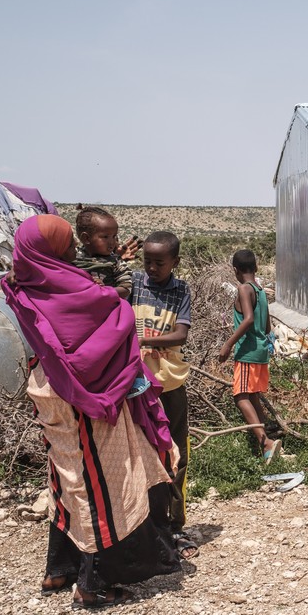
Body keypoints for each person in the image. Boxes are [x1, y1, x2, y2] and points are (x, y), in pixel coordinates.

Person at [3, 215, 179, 608]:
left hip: (51, 388)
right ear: (52, 249)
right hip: (85, 396)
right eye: (66, 242)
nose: (71, 249)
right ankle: (92, 582)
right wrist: (116, 299)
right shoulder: (71, 288)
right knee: (100, 487)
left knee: (66, 478)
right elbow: (111, 313)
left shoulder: (28, 281)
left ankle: (59, 568)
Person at [130, 231, 197, 559]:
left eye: (159, 263)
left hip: (169, 386)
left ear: (175, 263)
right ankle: (144, 524)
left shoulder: (180, 290)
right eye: (147, 262)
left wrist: (144, 342)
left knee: (176, 456)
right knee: (141, 457)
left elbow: (180, 335)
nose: (152, 268)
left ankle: (175, 524)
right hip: (136, 388)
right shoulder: (135, 284)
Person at [218, 249, 282, 463]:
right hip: (261, 350)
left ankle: (265, 442)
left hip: (247, 352)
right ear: (256, 267)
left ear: (235, 270)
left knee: (240, 396)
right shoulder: (261, 290)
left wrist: (228, 345)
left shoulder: (244, 289)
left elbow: (248, 320)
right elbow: (266, 325)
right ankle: (266, 443)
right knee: (252, 394)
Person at [73, 205, 134, 299]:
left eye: (114, 236)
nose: (112, 242)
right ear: (86, 238)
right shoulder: (73, 257)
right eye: (105, 237)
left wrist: (104, 290)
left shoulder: (116, 262)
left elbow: (126, 288)